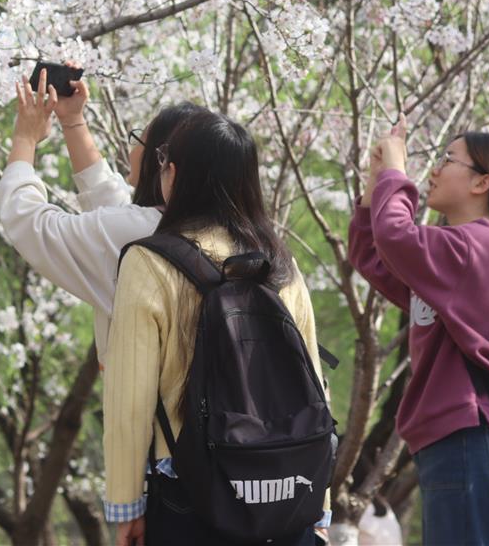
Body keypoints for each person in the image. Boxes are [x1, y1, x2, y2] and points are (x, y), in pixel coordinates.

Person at [103, 111, 331, 546]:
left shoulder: (150, 262)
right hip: (286, 490)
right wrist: (321, 500)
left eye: (166, 158)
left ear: (178, 173)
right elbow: (316, 386)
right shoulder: (280, 264)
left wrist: (126, 506)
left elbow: (128, 399)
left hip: (189, 494)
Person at [347, 118, 489, 546]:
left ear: (483, 182)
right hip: (458, 445)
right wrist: (377, 186)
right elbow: (373, 254)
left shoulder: (483, 245)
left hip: (467, 441)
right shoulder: (458, 251)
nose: (436, 170)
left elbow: (396, 236)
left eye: (448, 159)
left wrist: (395, 170)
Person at [0, 66, 203, 366]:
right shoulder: (186, 226)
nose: (132, 150)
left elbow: (31, 225)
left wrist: (25, 139)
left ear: (164, 165)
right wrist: (73, 120)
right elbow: (112, 204)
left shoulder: (144, 235)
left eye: (137, 141)